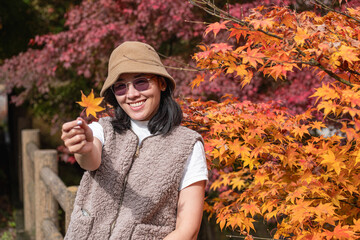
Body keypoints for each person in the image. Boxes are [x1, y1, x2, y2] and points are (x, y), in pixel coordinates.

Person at [61, 41, 208, 240]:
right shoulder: (103, 129)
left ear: (162, 83)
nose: (131, 94)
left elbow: (188, 230)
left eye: (141, 82)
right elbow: (90, 160)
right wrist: (83, 149)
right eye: (121, 87)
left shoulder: (188, 145)